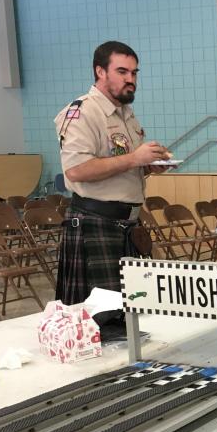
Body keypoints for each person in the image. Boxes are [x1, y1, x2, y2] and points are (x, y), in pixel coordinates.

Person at [54, 41, 173, 305]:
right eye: (122, 72)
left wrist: (147, 165)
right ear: (100, 71)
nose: (130, 79)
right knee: (102, 319)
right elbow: (76, 170)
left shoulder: (126, 115)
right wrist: (134, 158)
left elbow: (121, 166)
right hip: (95, 223)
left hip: (128, 225)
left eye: (134, 73)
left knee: (136, 311)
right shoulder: (82, 112)